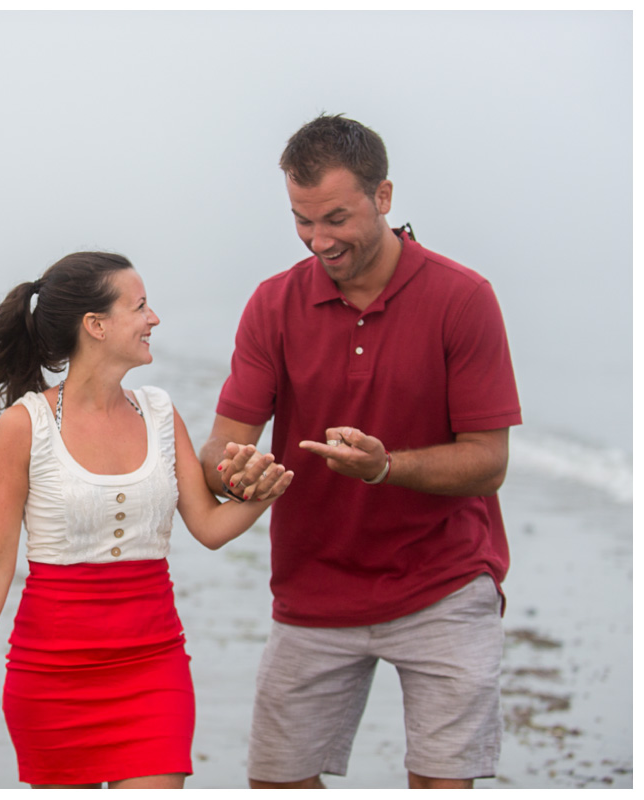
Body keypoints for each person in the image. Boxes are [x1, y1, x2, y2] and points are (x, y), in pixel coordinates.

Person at [201, 114, 521, 789]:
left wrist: (386, 467)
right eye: (301, 220)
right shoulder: (272, 304)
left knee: (442, 783)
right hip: (312, 589)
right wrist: (237, 473)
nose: (319, 240)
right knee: (277, 782)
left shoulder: (464, 298)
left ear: (384, 197)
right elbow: (222, 449)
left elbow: (489, 460)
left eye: (336, 218)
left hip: (445, 584)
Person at [0, 251, 294, 789]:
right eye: (141, 306)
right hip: (52, 677)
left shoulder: (158, 411)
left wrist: (264, 494)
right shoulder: (23, 426)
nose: (154, 319)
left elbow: (209, 527)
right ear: (96, 326)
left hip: (156, 669)